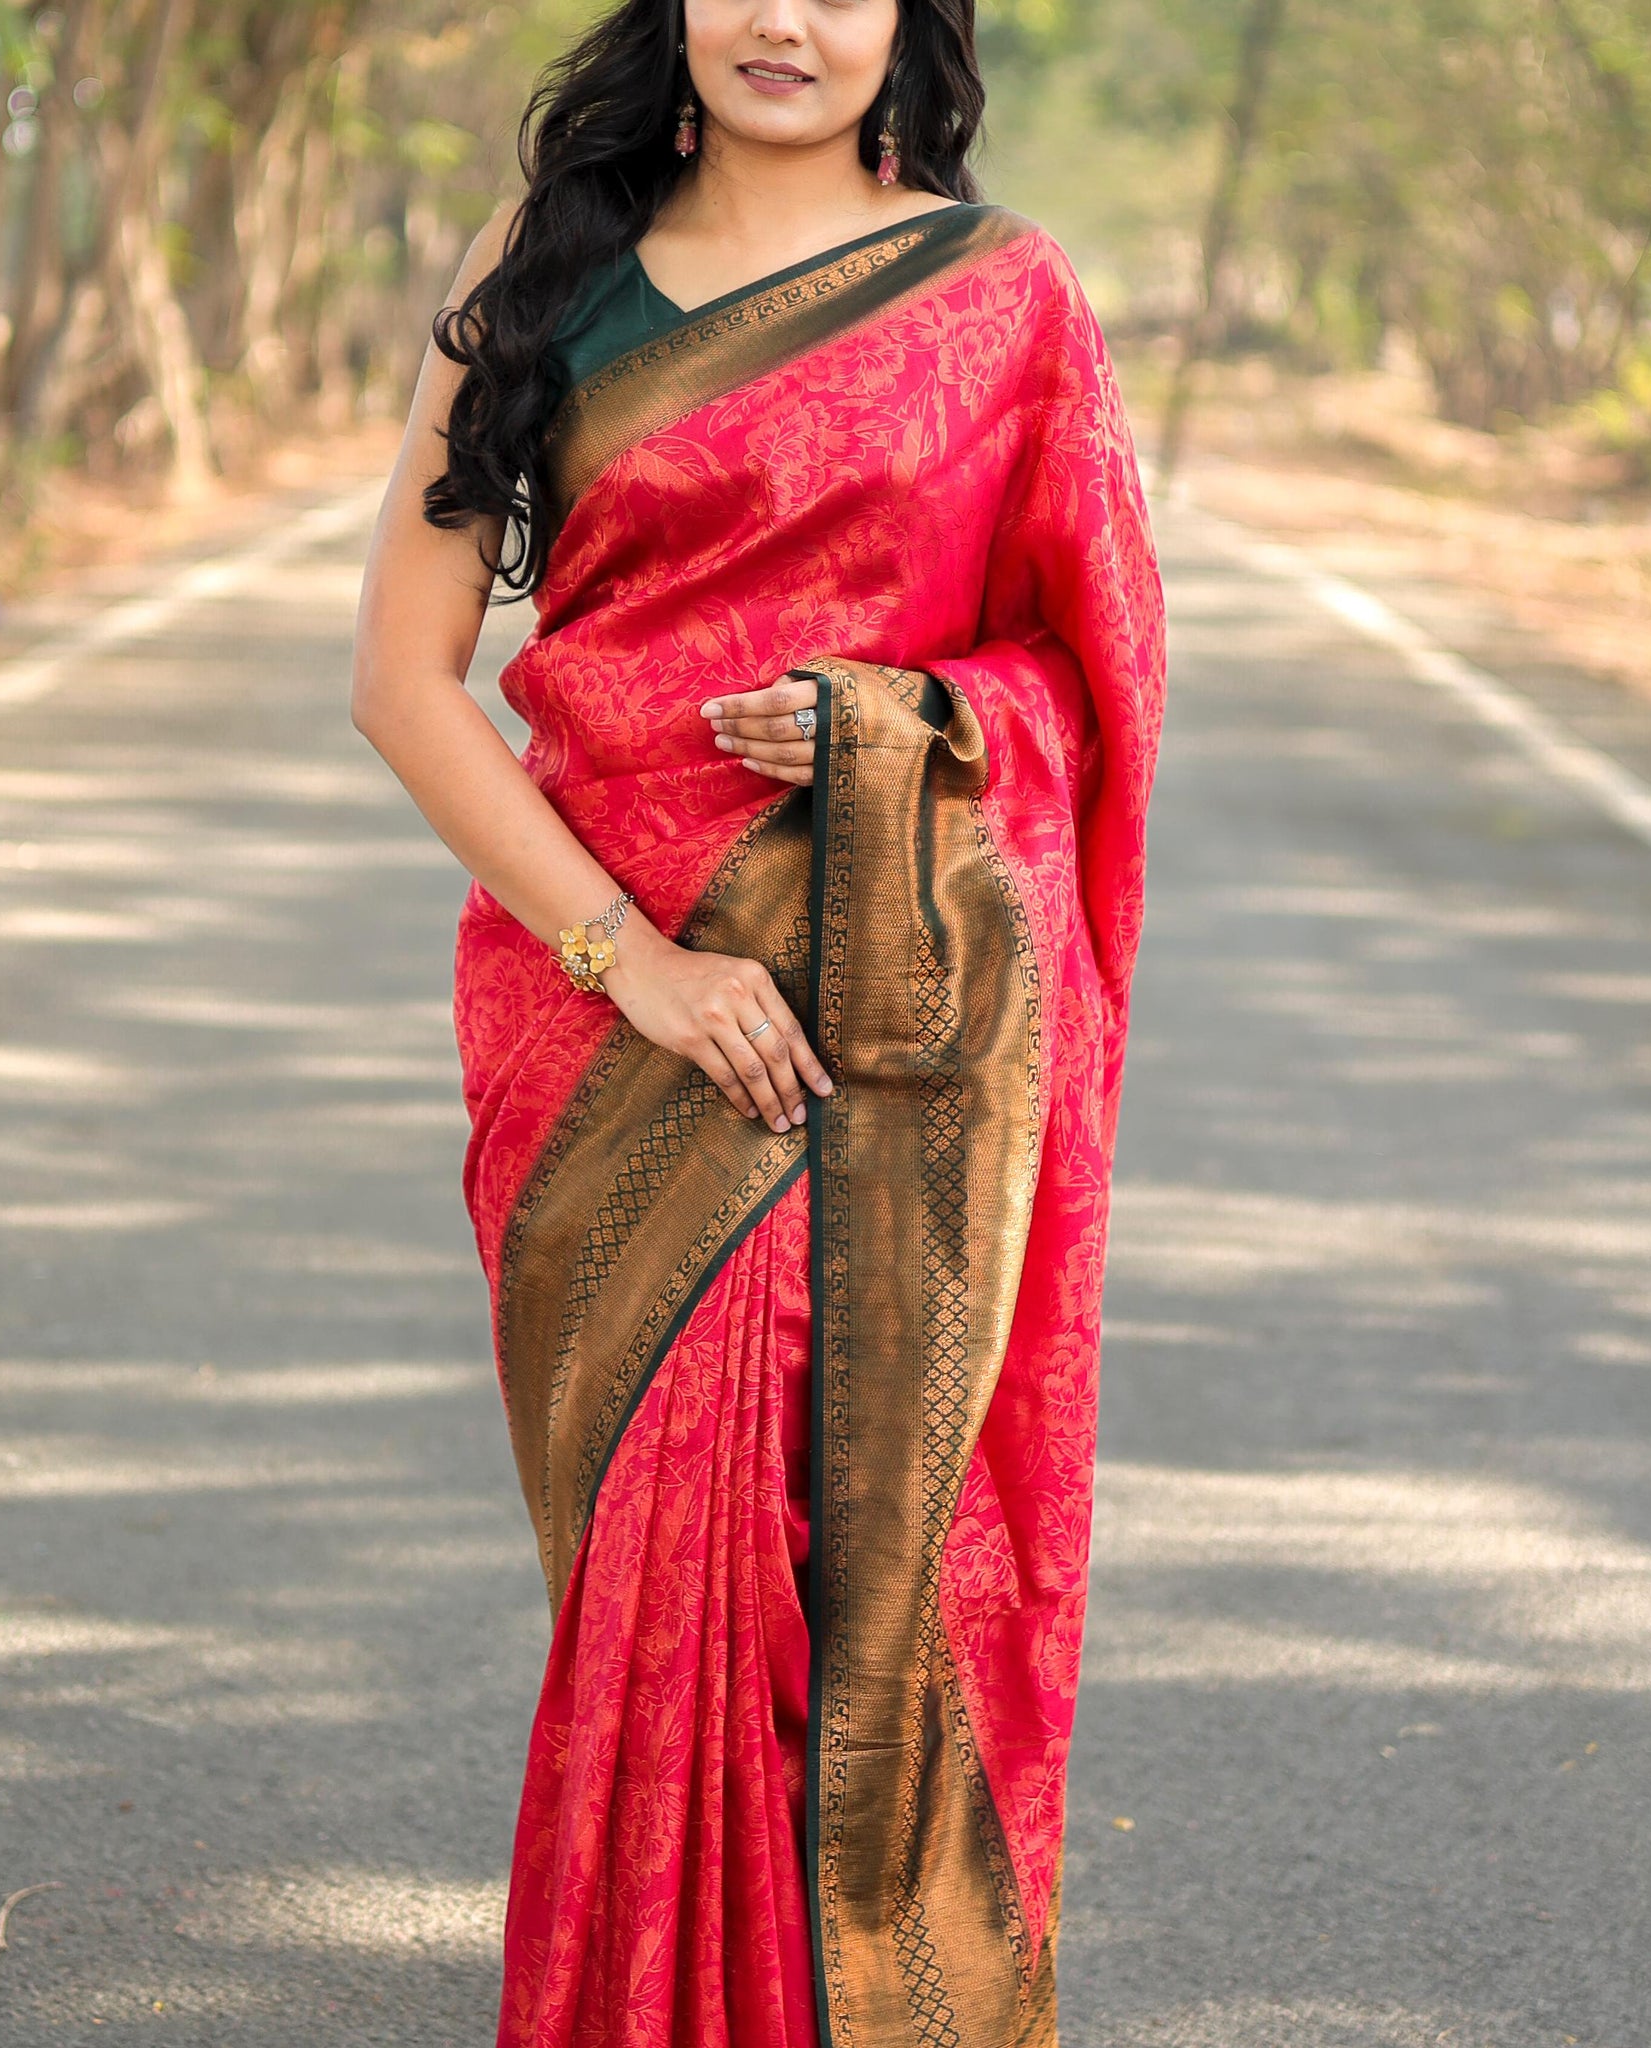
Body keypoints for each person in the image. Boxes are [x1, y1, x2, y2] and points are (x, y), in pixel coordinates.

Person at [351, 0, 1165, 2034]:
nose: (781, 18)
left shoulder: (999, 300)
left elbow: (1093, 673)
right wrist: (640, 963)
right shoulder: (544, 258)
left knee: (864, 1597)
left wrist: (906, 720)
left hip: (899, 1023)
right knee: (656, 1593)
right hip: (605, 1026)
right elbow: (401, 677)